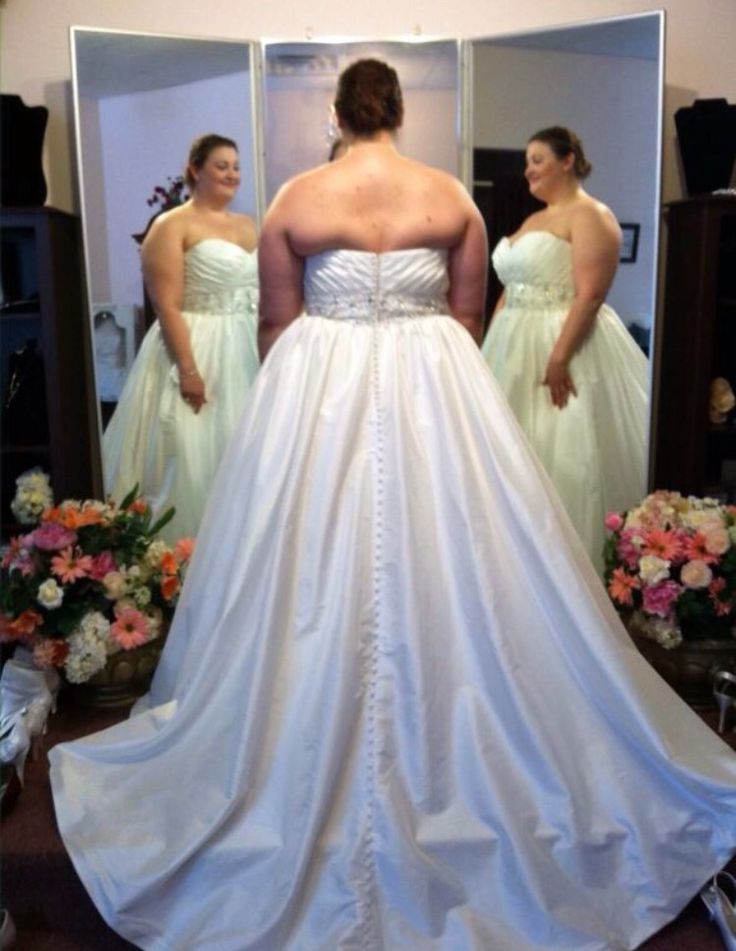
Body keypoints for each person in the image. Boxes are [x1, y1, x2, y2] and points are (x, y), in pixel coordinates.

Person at [50, 62, 736, 951]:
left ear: (338, 113)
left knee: (307, 556)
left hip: (320, 385)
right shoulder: (450, 194)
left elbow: (276, 325)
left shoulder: (300, 193)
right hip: (433, 387)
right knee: (456, 554)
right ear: (402, 114)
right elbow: (467, 316)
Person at [481, 126, 649, 572]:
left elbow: (590, 294)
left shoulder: (591, 214)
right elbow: (509, 288)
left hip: (562, 340)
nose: (528, 170)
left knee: (561, 449)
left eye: (537, 159)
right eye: (527, 161)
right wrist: (486, 349)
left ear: (567, 159)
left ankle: (564, 569)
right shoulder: (533, 220)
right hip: (511, 343)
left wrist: (558, 357)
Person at [102, 133, 260, 543]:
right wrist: (188, 369)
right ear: (195, 169)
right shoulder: (171, 224)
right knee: (192, 454)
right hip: (194, 342)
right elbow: (166, 304)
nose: (232, 174)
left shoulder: (248, 226)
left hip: (243, 345)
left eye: (236, 167)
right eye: (221, 165)